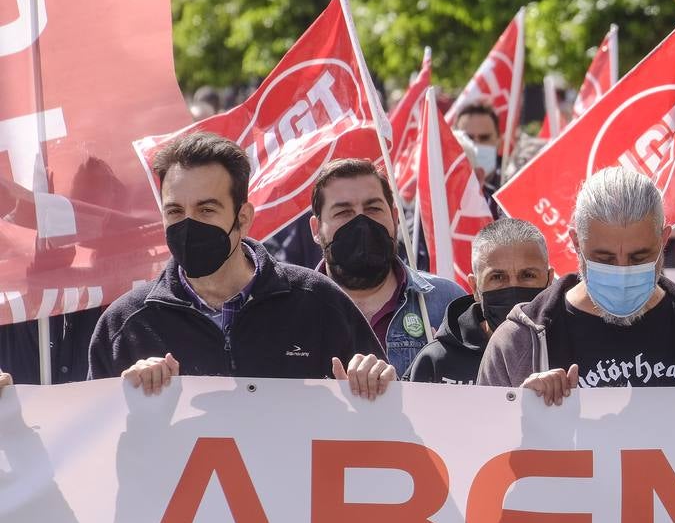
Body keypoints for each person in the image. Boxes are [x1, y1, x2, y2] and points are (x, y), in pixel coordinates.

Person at [88, 133, 395, 399]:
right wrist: (126, 399)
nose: (188, 225)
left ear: (243, 218)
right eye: (175, 211)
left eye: (206, 209)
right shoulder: (127, 325)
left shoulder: (318, 303)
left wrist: (374, 384)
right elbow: (95, 446)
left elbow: (386, 425)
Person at [477, 168, 675, 404]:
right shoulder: (518, 343)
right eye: (604, 258)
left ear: (663, 240)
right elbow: (482, 452)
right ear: (576, 244)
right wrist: (517, 411)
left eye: (639, 256)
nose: (622, 271)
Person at [309, 158, 465, 377]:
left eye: (373, 209)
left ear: (394, 217)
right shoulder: (295, 309)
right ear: (316, 229)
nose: (361, 222)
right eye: (343, 212)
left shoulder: (448, 302)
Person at [409, 218, 553, 384]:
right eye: (498, 277)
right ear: (475, 287)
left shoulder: (572, 346)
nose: (513, 288)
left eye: (528, 275)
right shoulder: (437, 362)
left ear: (549, 280)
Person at [455, 99, 503, 188]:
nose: (475, 145)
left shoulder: (514, 184)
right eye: (468, 138)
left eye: (484, 138)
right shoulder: (442, 186)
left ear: (499, 142)